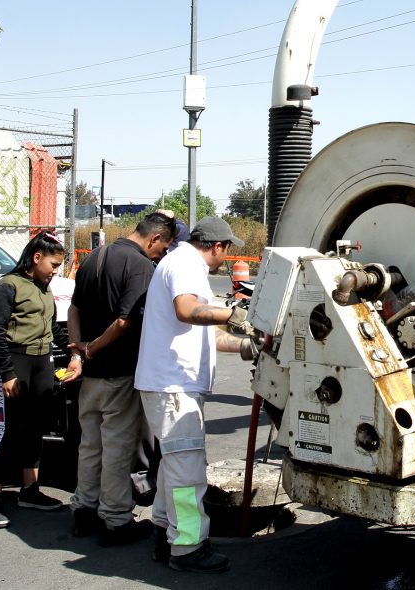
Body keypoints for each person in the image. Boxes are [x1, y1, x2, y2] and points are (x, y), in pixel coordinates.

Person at [135, 216, 258, 573]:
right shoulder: (186, 264)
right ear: (218, 246)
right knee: (188, 471)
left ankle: (163, 531)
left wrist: (249, 346)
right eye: (227, 249)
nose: (225, 256)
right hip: (174, 387)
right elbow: (188, 311)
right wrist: (234, 313)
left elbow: (205, 334)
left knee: (173, 466)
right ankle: (188, 546)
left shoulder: (181, 265)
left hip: (171, 384)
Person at [63, 211, 177, 546]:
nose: (161, 255)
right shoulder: (140, 265)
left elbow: (73, 309)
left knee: (90, 444)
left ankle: (83, 509)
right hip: (119, 373)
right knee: (117, 448)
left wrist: (78, 353)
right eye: (163, 248)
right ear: (154, 238)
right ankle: (115, 520)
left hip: (92, 378)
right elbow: (126, 321)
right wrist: (93, 348)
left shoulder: (96, 256)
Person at [0, 231, 70, 528]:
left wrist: (76, 350)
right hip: (16, 363)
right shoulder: (7, 286)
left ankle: (29, 491)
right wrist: (7, 373)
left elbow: (53, 330)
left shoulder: (45, 288)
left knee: (35, 429)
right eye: (54, 264)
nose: (57, 270)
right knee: (6, 430)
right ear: (36, 257)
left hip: (41, 364)